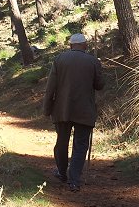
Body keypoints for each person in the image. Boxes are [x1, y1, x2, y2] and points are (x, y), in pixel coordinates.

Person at [42, 33, 105, 192]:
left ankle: (62, 173)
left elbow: (51, 87)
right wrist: (98, 67)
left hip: (62, 110)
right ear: (85, 45)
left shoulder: (59, 59)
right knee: (81, 144)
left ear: (70, 46)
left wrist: (47, 108)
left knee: (62, 142)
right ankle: (74, 180)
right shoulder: (92, 61)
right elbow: (100, 85)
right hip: (84, 111)